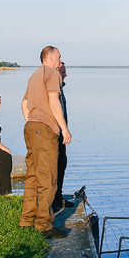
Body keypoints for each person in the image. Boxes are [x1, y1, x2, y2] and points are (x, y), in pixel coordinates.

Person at [20, 46, 72, 239]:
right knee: (48, 178)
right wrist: (64, 128)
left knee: (32, 175)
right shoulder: (52, 73)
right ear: (50, 58)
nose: (60, 60)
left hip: (31, 128)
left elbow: (23, 104)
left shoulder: (33, 76)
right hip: (45, 129)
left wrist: (32, 120)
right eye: (59, 57)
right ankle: (43, 225)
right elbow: (53, 102)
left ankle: (26, 220)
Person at [52, 60, 74, 213]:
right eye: (63, 72)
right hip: (55, 134)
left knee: (62, 165)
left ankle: (58, 196)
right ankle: (52, 200)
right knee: (54, 167)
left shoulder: (61, 88)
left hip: (61, 136)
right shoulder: (53, 89)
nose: (66, 74)